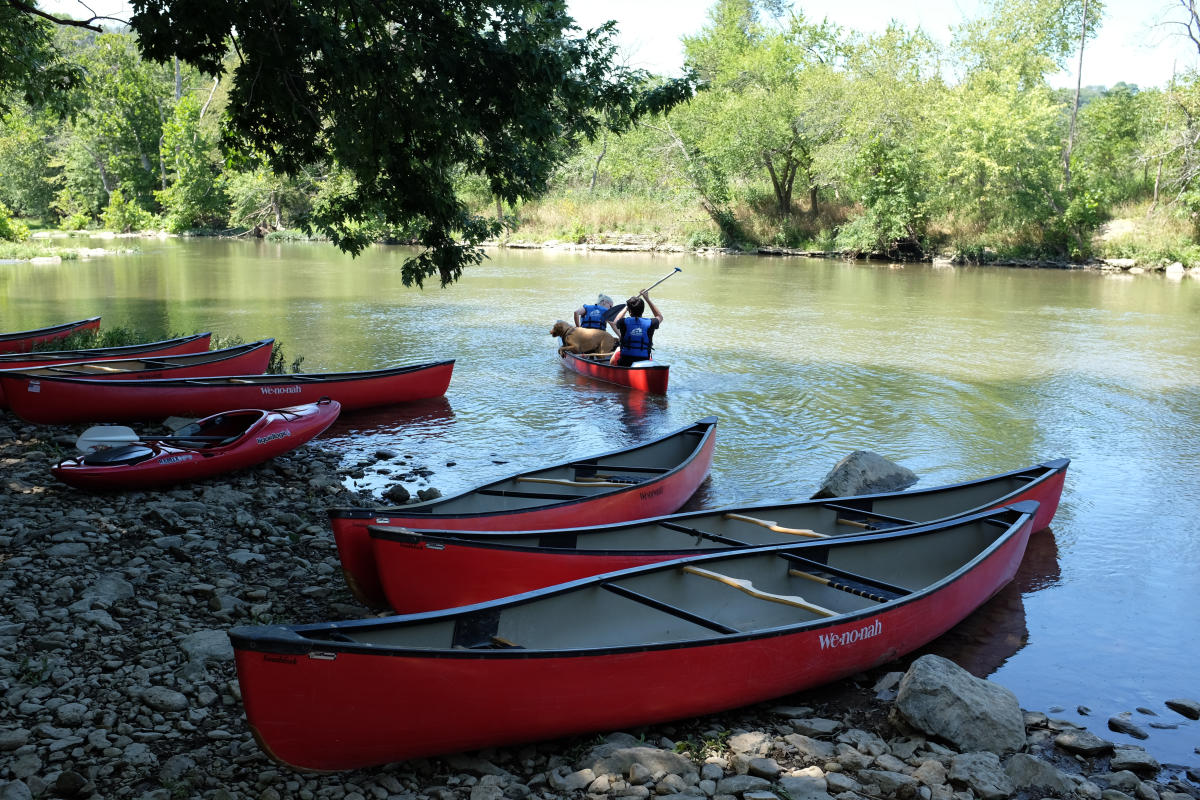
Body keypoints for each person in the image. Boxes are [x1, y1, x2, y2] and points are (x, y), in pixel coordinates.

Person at [609, 291, 662, 366]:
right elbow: (660, 317)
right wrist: (647, 299)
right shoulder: (651, 323)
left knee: (617, 351)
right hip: (644, 362)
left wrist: (626, 307)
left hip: (625, 362)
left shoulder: (623, 322)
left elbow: (615, 321)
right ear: (643, 310)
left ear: (630, 311)